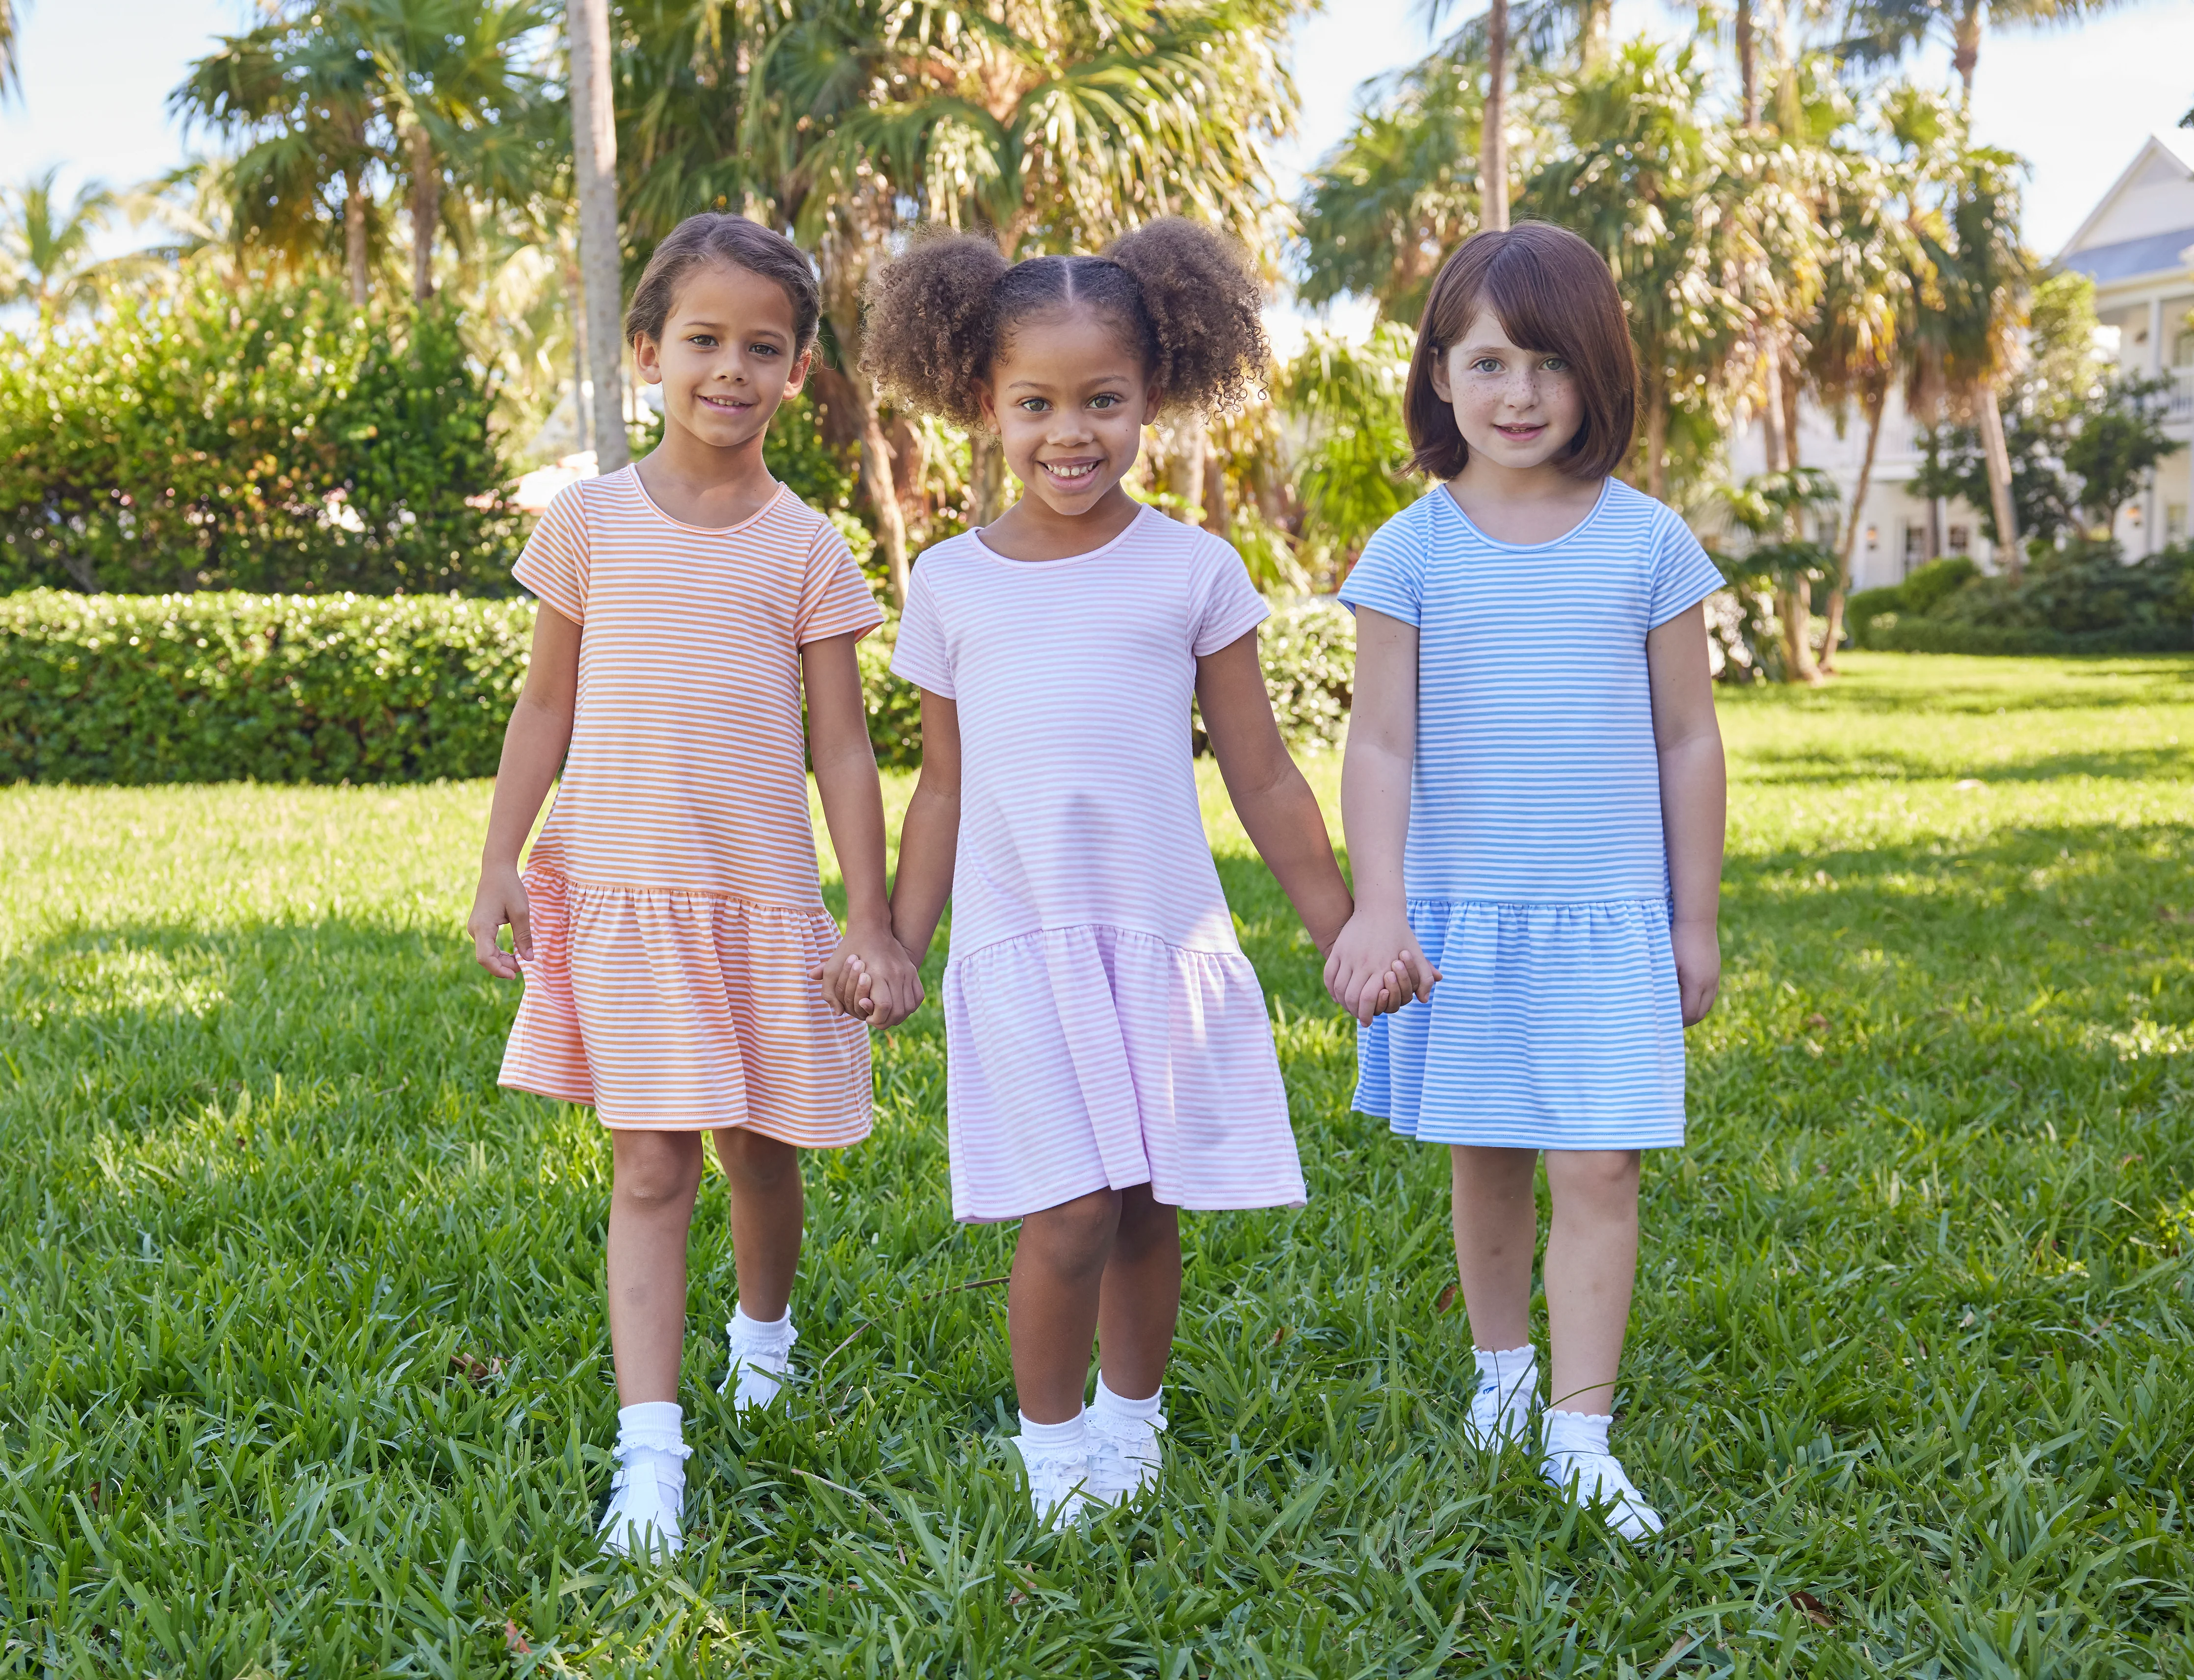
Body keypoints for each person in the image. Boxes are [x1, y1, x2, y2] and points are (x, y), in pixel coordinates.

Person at [843, 219, 1398, 1529]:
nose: (1068, 432)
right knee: (1072, 1206)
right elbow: (944, 786)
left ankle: (1131, 1429)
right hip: (1022, 939)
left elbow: (1262, 775)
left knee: (1153, 1203)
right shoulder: (952, 582)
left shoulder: (1195, 568)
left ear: (1157, 393)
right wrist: (894, 940)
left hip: (1159, 934)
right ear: (984, 402)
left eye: (1103, 399)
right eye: (1035, 402)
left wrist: (1345, 925)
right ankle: (1050, 1458)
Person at [466, 214, 921, 1560]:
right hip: (623, 889)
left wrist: (873, 912)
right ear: (649, 351)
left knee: (759, 1148)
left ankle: (762, 1344)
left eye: (762, 348)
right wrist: (503, 856)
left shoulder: (807, 548)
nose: (731, 369)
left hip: (760, 896)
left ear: (799, 371)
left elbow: (843, 742)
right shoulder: (589, 521)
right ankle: (650, 1455)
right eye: (705, 342)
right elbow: (543, 706)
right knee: (652, 1163)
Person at [1323, 222, 1727, 1542]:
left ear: (1599, 373)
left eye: (1551, 363)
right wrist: (1377, 905)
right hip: (1463, 917)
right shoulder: (1413, 550)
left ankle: (1581, 1429)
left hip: (1607, 918)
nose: (1519, 394)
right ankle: (1503, 1379)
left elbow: (1688, 738)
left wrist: (1696, 917)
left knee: (1601, 1167)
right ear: (1440, 375)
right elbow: (1377, 741)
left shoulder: (1650, 542)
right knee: (1485, 1154)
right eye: (1489, 361)